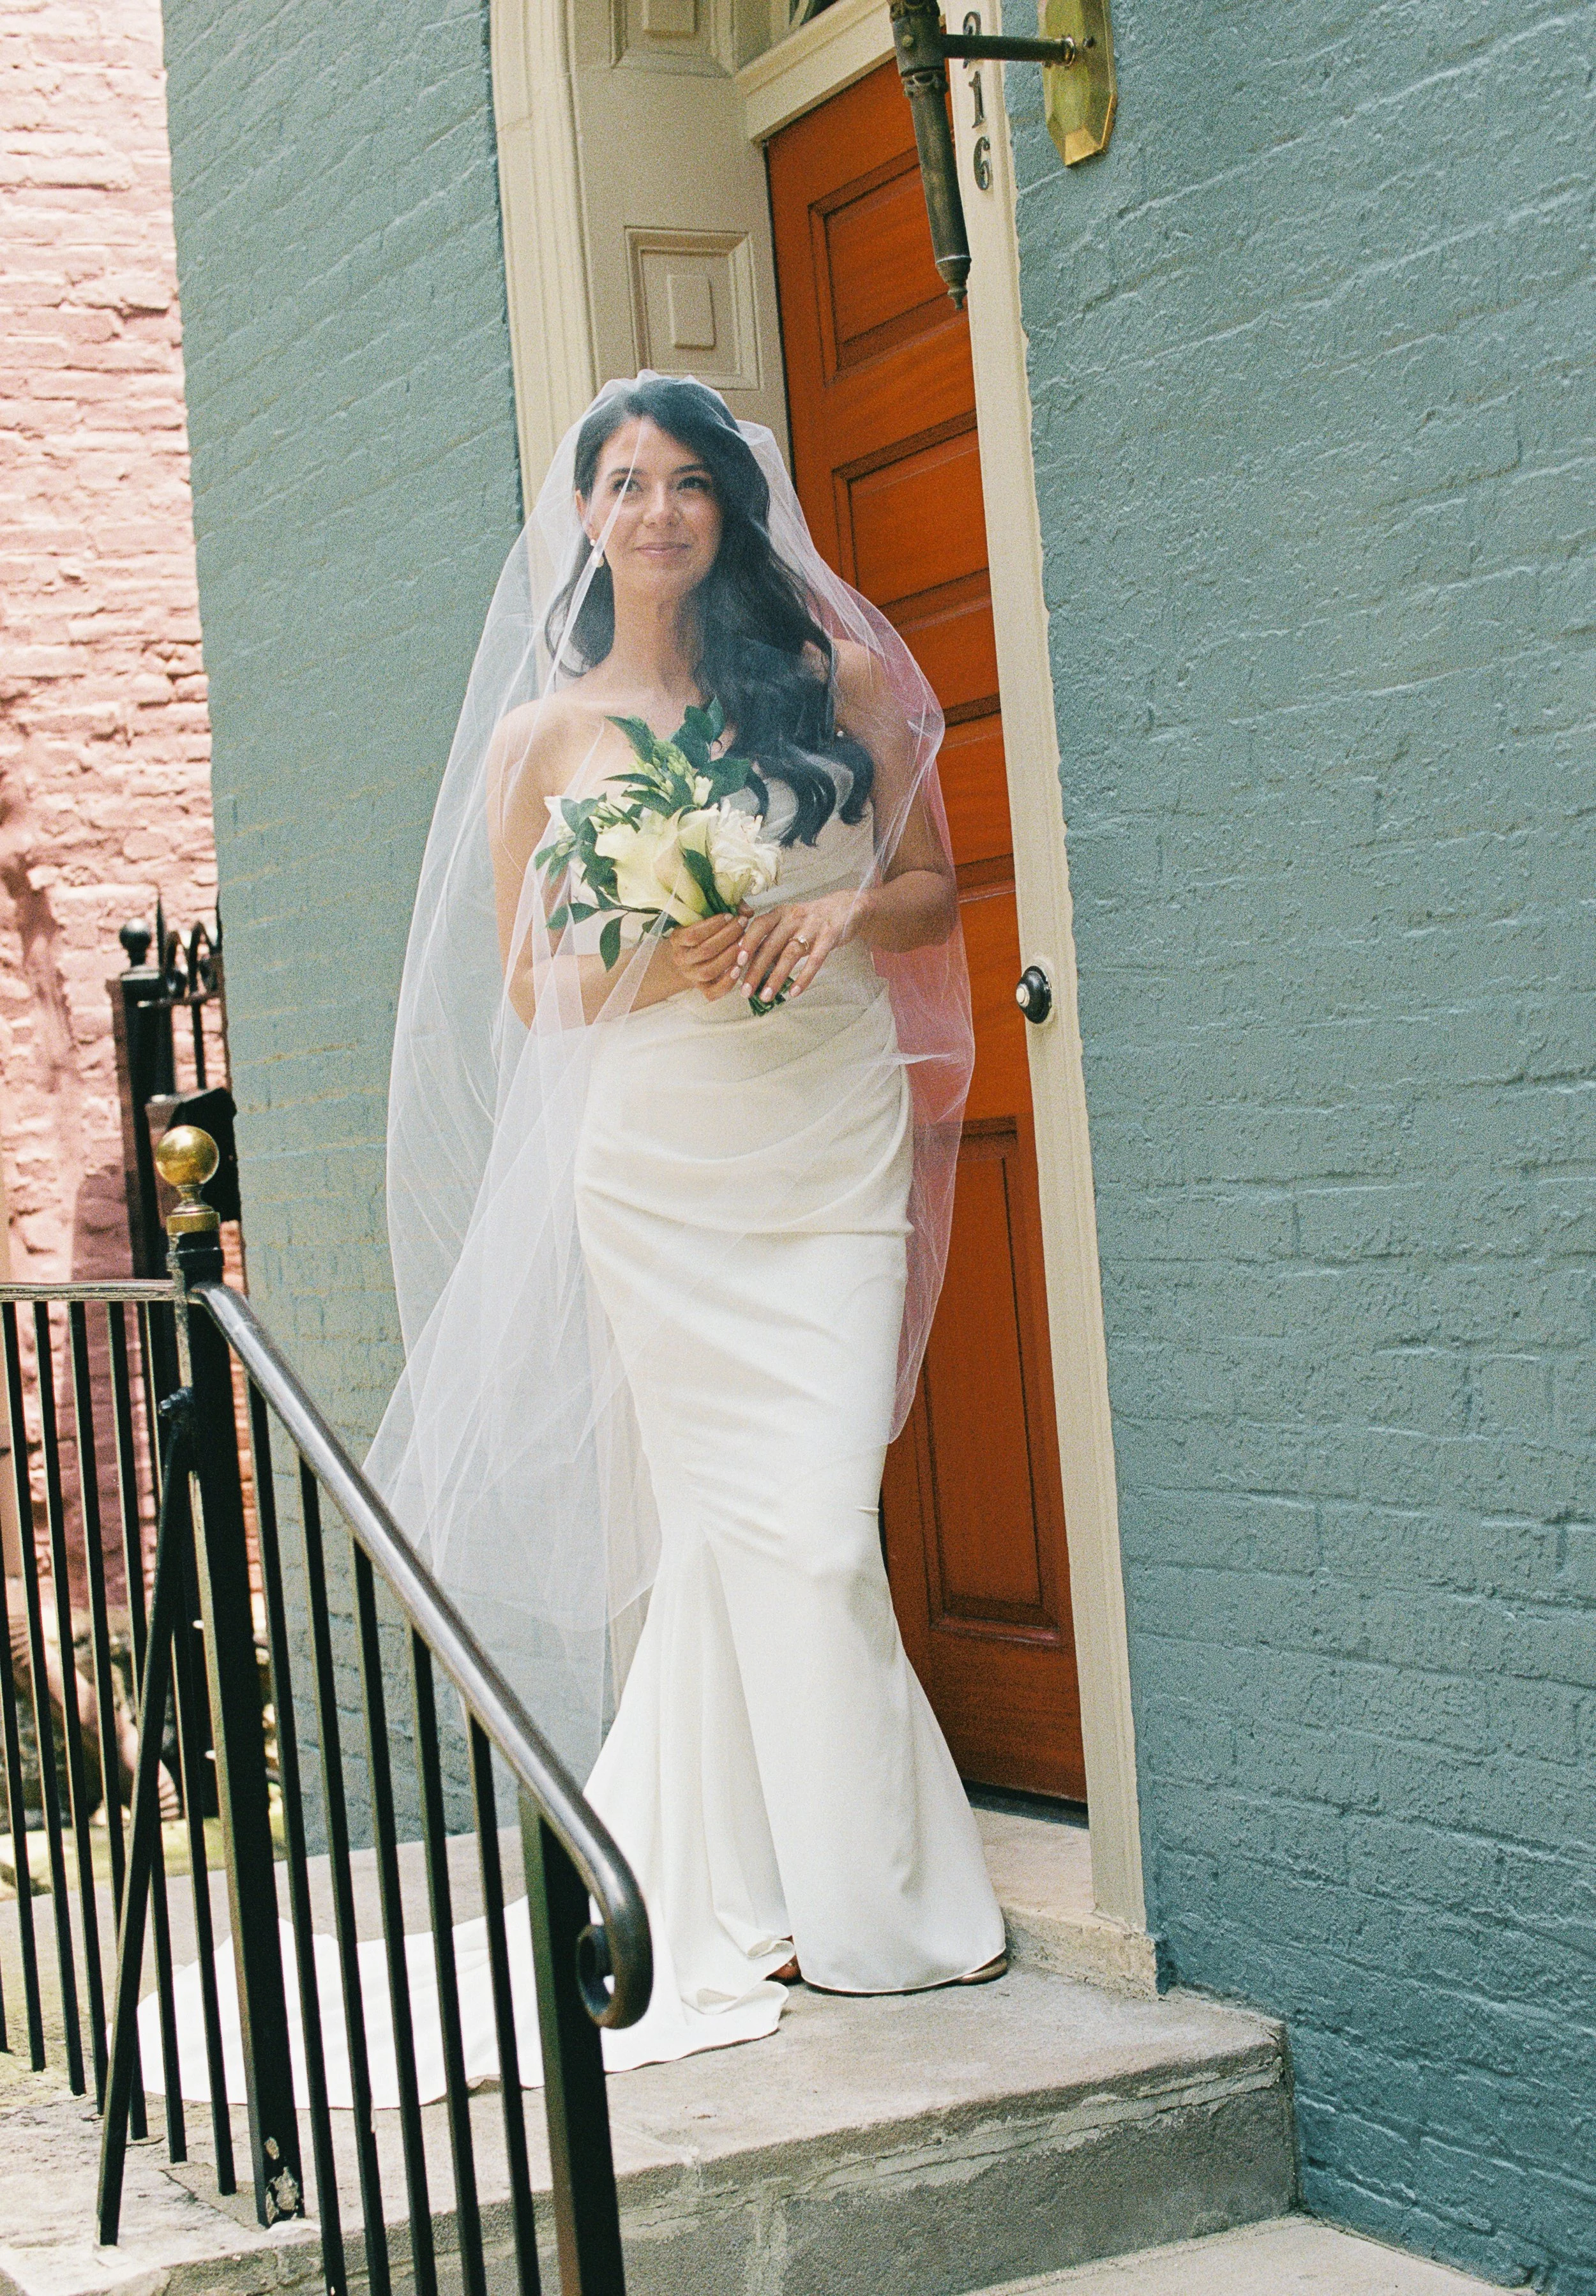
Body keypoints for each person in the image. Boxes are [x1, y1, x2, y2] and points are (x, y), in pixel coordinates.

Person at [391, 374, 1008, 2073]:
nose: (657, 510)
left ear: (731, 505)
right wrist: (656, 945)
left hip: (824, 1136)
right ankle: (805, 1889)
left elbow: (927, 888)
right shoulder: (543, 739)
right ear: (586, 516)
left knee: (806, 1518)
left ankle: (847, 1888)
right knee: (751, 1534)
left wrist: (820, 921)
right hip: (660, 1162)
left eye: (687, 482)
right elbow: (534, 988)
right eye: (624, 483)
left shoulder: (834, 681)